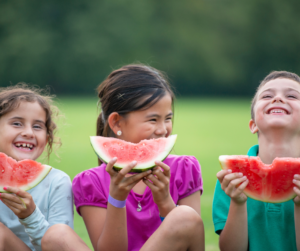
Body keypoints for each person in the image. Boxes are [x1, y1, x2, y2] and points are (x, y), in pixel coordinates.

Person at [41, 64, 204, 251]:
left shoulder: (184, 169)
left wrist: (165, 202)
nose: (162, 129)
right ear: (116, 122)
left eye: (167, 118)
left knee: (184, 216)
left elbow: (191, 239)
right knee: (56, 235)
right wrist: (116, 200)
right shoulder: (91, 182)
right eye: (153, 120)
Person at [213, 71, 300, 251]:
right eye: (267, 96)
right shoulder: (232, 178)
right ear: (253, 125)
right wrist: (237, 202)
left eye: (291, 95)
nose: (277, 99)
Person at [0, 84, 73, 251]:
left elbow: (61, 245)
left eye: (37, 126)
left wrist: (31, 217)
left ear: (47, 140)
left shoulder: (57, 182)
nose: (29, 133)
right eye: (17, 123)